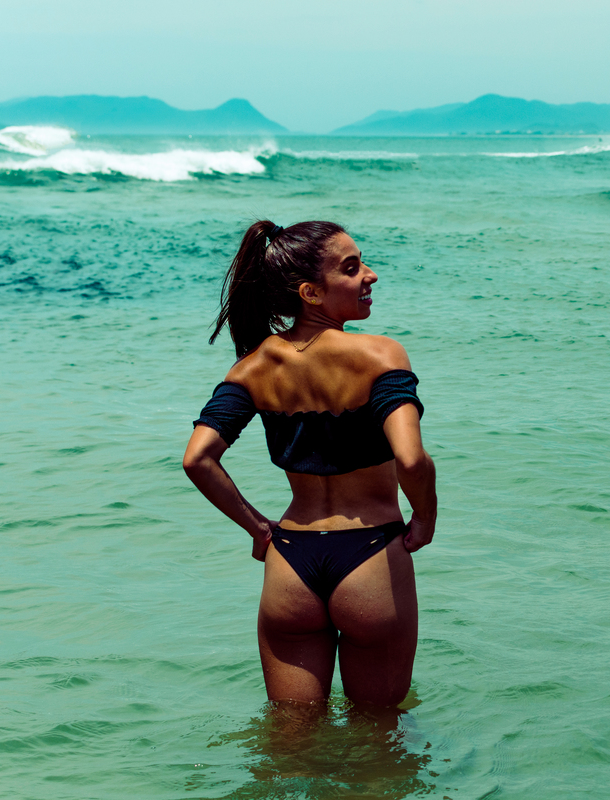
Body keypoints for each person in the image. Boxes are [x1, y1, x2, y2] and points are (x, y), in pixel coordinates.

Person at [183, 220, 436, 708]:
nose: (371, 275)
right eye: (352, 268)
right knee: (378, 733)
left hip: (290, 564)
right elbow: (411, 458)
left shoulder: (253, 366)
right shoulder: (380, 354)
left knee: (290, 738)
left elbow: (197, 459)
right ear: (310, 293)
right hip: (371, 556)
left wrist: (257, 527)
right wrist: (425, 517)